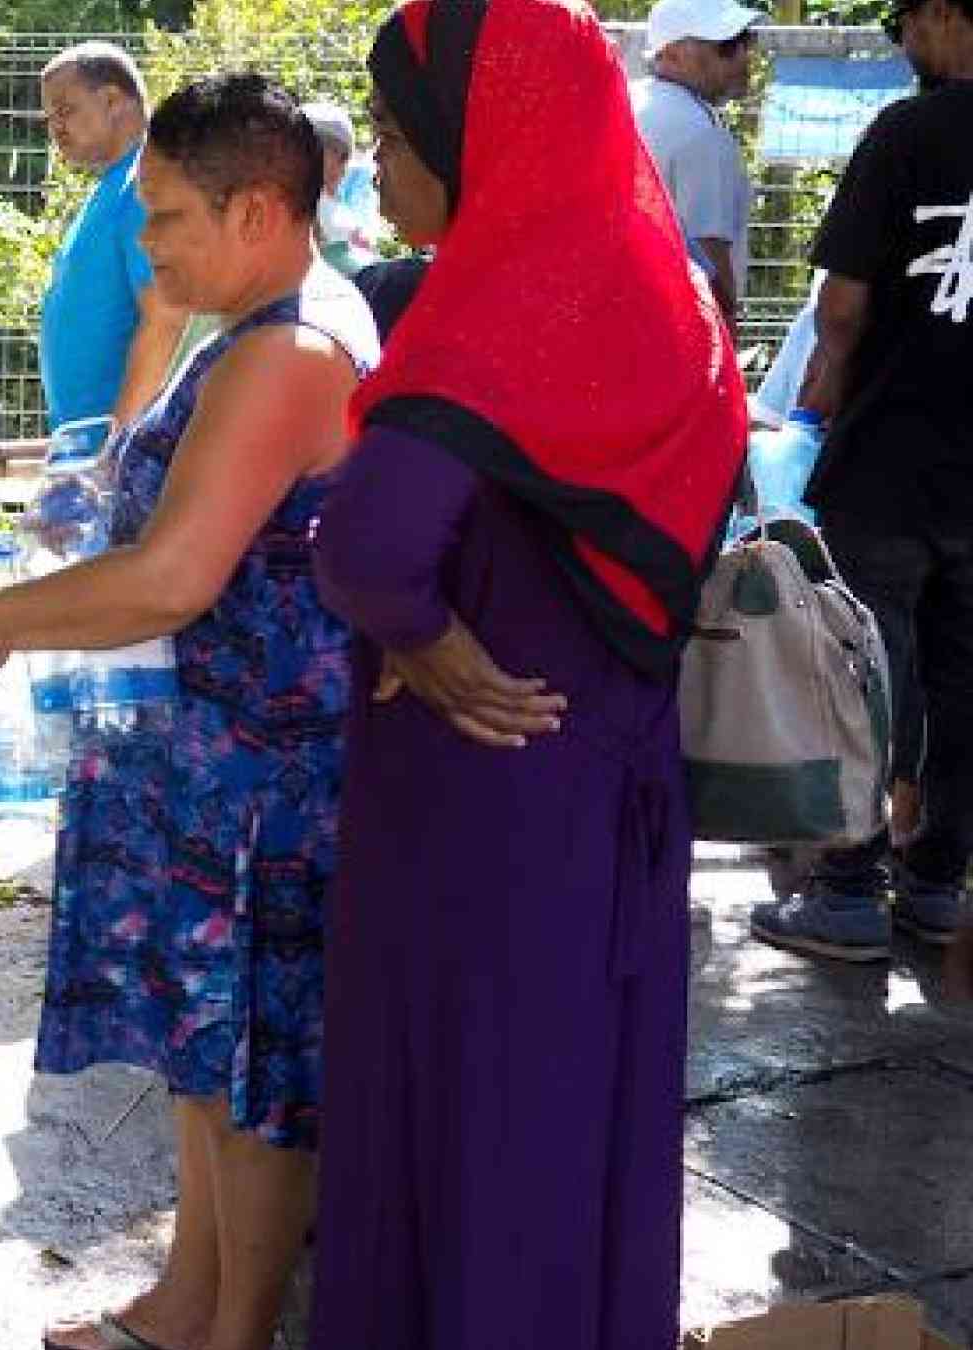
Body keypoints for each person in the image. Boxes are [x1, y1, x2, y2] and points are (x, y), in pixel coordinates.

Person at [308, 4, 746, 1348]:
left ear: (477, 130)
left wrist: (420, 635)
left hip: (484, 799)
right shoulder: (656, 284)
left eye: (392, 132)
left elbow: (371, 543)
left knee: (473, 1133)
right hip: (608, 783)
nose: (377, 166)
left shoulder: (507, 301)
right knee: (579, 1125)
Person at [0, 73, 375, 1350]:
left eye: (170, 216)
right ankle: (190, 1299)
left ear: (257, 210)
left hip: (262, 780)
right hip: (208, 757)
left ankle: (235, 1331)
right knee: (203, 1054)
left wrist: (2, 620)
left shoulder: (292, 348)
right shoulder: (248, 322)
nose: (151, 245)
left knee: (251, 1081)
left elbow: (179, 573)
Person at [754, 0, 973, 962]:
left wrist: (819, 401)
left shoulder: (907, 133)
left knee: (865, 671)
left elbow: (840, 305)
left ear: (941, 15)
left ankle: (846, 888)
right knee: (965, 680)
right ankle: (938, 885)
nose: (903, 45)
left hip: (890, 454)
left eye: (906, 25)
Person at [38, 42, 192, 430]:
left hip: (115, 453)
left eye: (65, 110)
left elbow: (166, 317)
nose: (56, 127)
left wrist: (116, 446)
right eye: (49, 116)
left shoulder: (146, 184)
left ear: (111, 100)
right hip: (84, 445)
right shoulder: (114, 186)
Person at [631, 0, 763, 325]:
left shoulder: (625, 103)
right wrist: (727, 329)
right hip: (674, 327)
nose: (744, 56)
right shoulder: (701, 134)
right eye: (727, 46)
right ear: (673, 54)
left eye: (745, 40)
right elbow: (709, 255)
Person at [302, 102, 381, 275]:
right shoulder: (302, 199)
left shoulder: (338, 200)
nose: (342, 167)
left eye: (345, 158)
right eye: (339, 156)